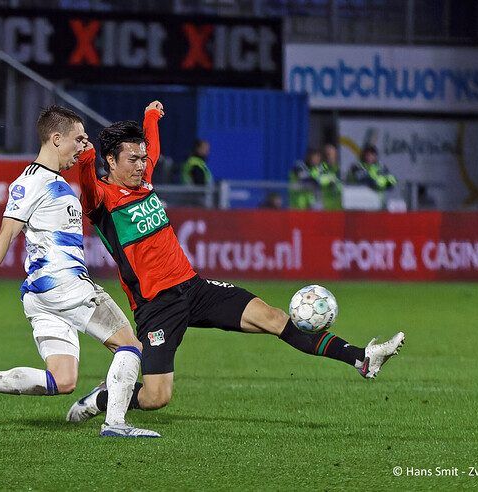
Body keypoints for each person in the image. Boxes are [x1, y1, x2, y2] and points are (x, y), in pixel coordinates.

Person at [68, 100, 405, 423]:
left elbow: (152, 146)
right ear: (110, 161)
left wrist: (151, 116)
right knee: (157, 397)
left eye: (143, 158)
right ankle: (103, 397)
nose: (142, 165)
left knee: (273, 318)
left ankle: (361, 357)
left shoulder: (145, 180)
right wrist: (86, 156)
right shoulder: (101, 200)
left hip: (194, 288)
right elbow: (86, 179)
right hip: (157, 305)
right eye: (133, 160)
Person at [0, 105, 160, 438]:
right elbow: (6, 234)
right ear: (56, 139)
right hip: (65, 285)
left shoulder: (54, 182)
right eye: (79, 139)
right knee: (131, 347)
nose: (84, 146)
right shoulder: (32, 182)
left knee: (61, 380)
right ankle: (115, 422)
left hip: (42, 295)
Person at [320, 143, 342, 210]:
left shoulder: (340, 169)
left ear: (336, 155)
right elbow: (318, 179)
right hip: (324, 207)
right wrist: (330, 180)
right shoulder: (321, 168)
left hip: (339, 207)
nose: (329, 157)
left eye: (331, 154)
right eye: (327, 154)